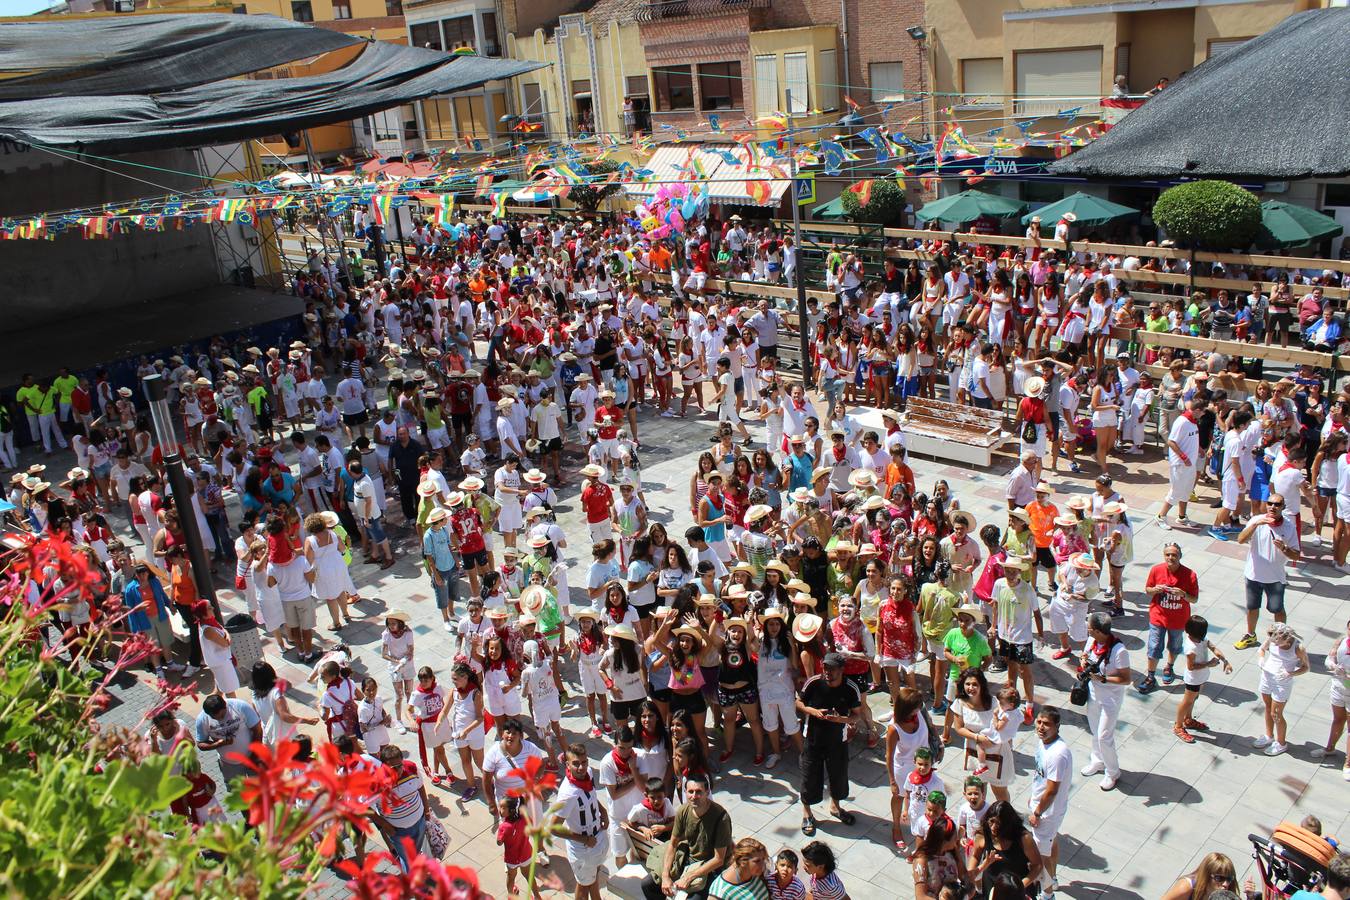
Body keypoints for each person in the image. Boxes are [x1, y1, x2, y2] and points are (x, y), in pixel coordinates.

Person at [795, 652, 862, 836]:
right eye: (825, 667)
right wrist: (812, 711)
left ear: (841, 670)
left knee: (838, 775)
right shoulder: (814, 683)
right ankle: (807, 814)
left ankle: (836, 806)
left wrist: (841, 720)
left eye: (831, 669)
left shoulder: (850, 688)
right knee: (809, 777)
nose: (827, 672)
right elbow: (799, 703)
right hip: (813, 740)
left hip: (837, 742)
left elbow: (857, 713)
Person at [642, 771, 732, 900]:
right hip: (687, 858)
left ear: (707, 792)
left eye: (699, 792)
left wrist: (689, 877)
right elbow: (673, 844)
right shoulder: (683, 810)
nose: (694, 796)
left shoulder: (721, 818)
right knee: (647, 884)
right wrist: (666, 876)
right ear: (685, 792)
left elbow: (719, 859)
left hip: (709, 867)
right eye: (690, 792)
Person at [1234, 494, 1301, 650]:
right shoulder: (1256, 521)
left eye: (1277, 504)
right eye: (1270, 503)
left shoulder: (1289, 527)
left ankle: (1281, 637)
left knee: (1277, 609)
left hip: (1275, 578)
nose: (1272, 507)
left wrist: (1284, 548)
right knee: (1252, 607)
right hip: (1253, 575)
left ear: (1283, 507)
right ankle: (1250, 635)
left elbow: (1296, 554)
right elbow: (1240, 539)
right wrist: (1255, 525)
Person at [1138, 542, 1198, 694]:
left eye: (1174, 555)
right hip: (1158, 616)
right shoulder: (1156, 570)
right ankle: (1150, 676)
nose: (1170, 557)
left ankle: (1169, 666)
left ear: (1180, 556)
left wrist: (1183, 594)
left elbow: (1194, 599)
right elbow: (1148, 589)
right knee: (1154, 646)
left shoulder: (1190, 575)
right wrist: (1155, 590)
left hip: (1178, 620)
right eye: (1167, 554)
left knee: (1175, 646)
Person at [1080, 612, 1131, 791]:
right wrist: (1083, 661)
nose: (1087, 631)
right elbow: (1084, 655)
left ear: (1097, 631)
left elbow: (1126, 679)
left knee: (1104, 736)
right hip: (1093, 695)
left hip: (1111, 699)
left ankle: (1112, 772)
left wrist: (1103, 679)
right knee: (1094, 731)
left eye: (1089, 629)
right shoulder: (1092, 642)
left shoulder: (1119, 651)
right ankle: (1097, 760)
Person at [555, 743, 611, 900]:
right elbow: (554, 828)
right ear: (568, 764)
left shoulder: (589, 774)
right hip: (583, 847)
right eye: (576, 763)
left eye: (584, 762)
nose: (581, 767)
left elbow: (591, 795)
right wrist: (584, 839)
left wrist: (602, 811)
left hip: (598, 836)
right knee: (584, 883)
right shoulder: (567, 794)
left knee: (594, 875)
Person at [1026, 706, 1071, 897]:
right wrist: (1034, 798)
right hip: (1042, 806)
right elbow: (1041, 778)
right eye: (1039, 722)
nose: (1041, 727)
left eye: (1047, 724)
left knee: (1040, 858)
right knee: (1051, 843)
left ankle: (1047, 893)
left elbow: (1052, 790)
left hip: (1047, 813)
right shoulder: (1043, 743)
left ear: (1057, 726)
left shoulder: (1058, 754)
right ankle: (1052, 879)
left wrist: (1037, 812)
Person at [1253, 622, 1310, 757]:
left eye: (1278, 643)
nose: (1275, 645)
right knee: (1268, 707)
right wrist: (1261, 659)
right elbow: (1262, 649)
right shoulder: (1273, 639)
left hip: (1282, 682)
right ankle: (1269, 735)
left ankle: (1281, 743)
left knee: (1276, 713)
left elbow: (1306, 667)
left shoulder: (1298, 648)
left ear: (1286, 638)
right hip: (1267, 676)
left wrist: (1290, 673)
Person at [1174, 614, 1232, 744]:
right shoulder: (1191, 648)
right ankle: (1178, 726)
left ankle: (1188, 719)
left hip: (1201, 677)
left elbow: (1213, 648)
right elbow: (1191, 666)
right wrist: (1208, 664)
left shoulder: (1202, 639)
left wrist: (1225, 660)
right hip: (1193, 679)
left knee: (1194, 699)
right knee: (1187, 702)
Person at [193, 693, 262, 790]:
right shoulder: (202, 720)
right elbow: (200, 743)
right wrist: (218, 744)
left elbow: (257, 730)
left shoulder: (240, 706)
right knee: (237, 794)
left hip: (252, 757)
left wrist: (255, 755)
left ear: (225, 705)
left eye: (222, 715)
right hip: (229, 764)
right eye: (215, 717)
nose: (220, 719)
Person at [1157, 396, 1206, 529]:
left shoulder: (1193, 422)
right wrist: (1184, 457)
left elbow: (1192, 439)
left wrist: (1200, 449)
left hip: (1190, 464)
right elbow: (1171, 442)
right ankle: (1161, 516)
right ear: (1196, 410)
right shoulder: (1182, 421)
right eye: (1202, 411)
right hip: (1180, 464)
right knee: (1176, 491)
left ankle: (1182, 516)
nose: (1203, 414)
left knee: (1187, 490)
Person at [1312, 617, 1350, 774]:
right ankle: (1330, 748)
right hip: (1338, 687)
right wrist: (1333, 665)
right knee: (1338, 720)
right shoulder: (1341, 640)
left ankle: (1348, 763)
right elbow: (1330, 657)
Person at [1160, 852, 1239, 900]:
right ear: (1207, 875)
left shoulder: (1226, 894)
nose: (1225, 884)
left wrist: (1250, 897)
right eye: (1219, 878)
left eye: (1229, 879)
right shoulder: (1186, 887)